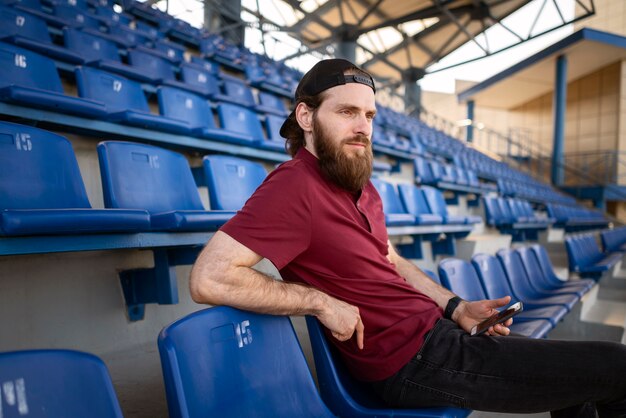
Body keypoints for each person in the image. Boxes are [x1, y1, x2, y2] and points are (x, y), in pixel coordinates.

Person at [189, 58, 626, 417]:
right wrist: (319, 301)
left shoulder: (361, 185)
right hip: (410, 362)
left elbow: (391, 259)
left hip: (437, 335)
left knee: (579, 386)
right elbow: (210, 277)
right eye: (346, 112)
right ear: (306, 115)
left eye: (369, 115)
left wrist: (456, 307)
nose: (363, 126)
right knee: (615, 368)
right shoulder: (293, 186)